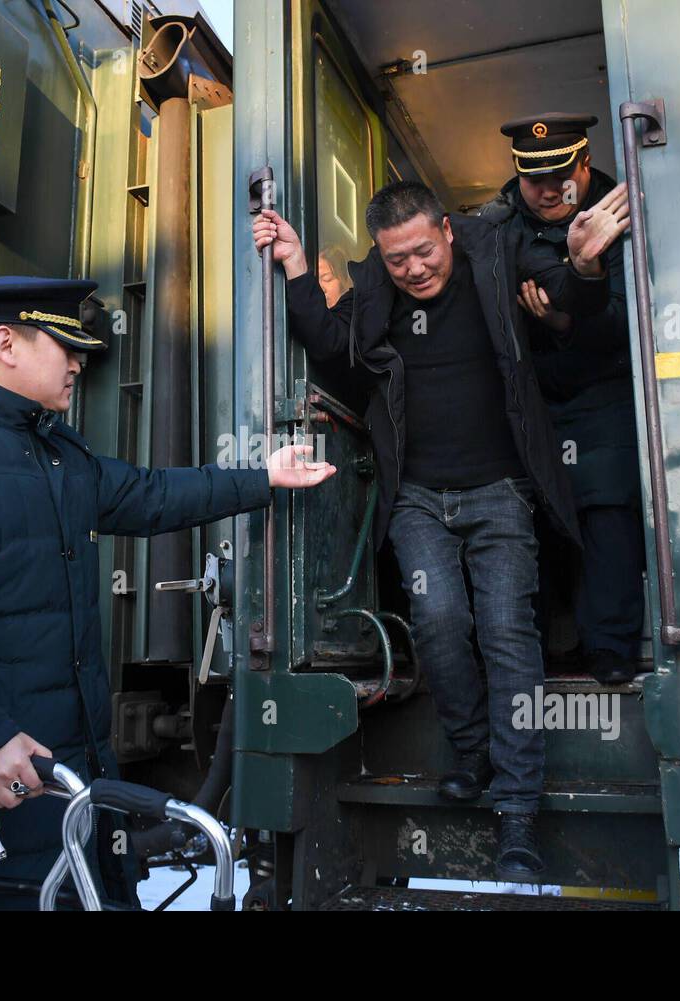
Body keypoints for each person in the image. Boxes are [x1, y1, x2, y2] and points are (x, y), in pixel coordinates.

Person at [0, 277, 336, 910]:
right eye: (65, 345)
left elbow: (149, 495)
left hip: (70, 791)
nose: (78, 361)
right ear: (7, 343)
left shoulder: (51, 451)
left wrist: (263, 476)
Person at [254, 179, 629, 881]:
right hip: (419, 496)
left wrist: (582, 265)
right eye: (398, 260)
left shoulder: (497, 248)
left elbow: (575, 307)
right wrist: (298, 266)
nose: (414, 269)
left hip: (501, 490)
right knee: (437, 618)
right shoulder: (377, 291)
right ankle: (472, 750)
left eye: (423, 252)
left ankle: (516, 812)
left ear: (448, 233)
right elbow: (333, 350)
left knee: (507, 633)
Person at [483, 113, 645, 684]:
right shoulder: (497, 227)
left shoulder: (623, 212)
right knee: (537, 518)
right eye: (535, 179)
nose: (550, 190)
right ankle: (545, 650)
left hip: (604, 389)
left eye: (560, 175)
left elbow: (633, 325)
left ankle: (611, 649)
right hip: (532, 399)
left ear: (583, 162)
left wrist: (560, 317)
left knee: (606, 511)